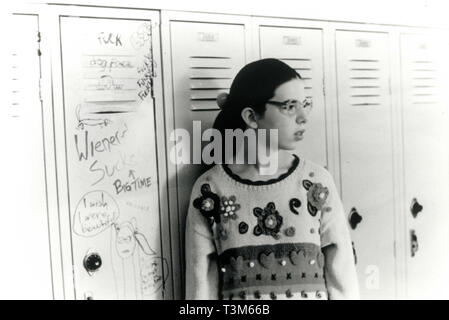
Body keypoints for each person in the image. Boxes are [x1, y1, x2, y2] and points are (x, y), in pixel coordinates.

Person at [185, 58, 359, 300]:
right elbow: (200, 288)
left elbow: (343, 280)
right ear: (252, 117)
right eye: (289, 106)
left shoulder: (316, 183)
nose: (303, 117)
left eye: (304, 104)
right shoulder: (210, 191)